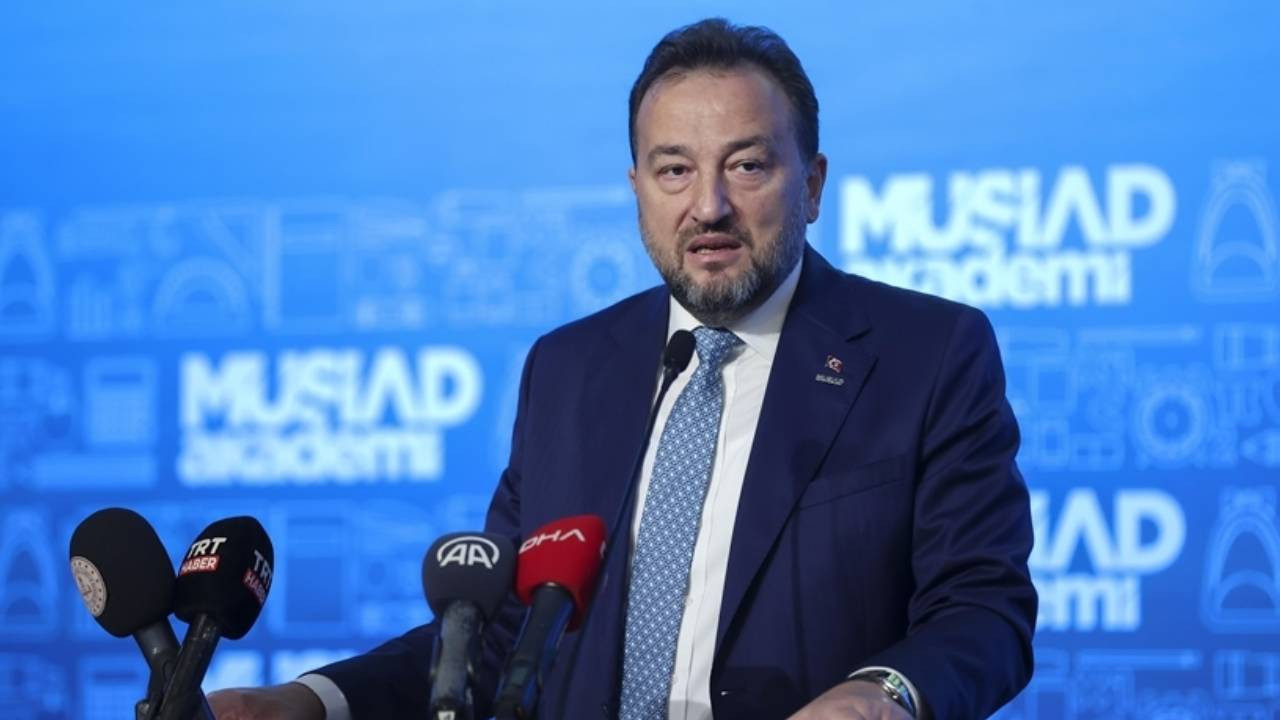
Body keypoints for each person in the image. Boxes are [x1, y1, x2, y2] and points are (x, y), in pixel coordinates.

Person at [210, 18, 1036, 720]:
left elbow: (982, 609)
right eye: (675, 170)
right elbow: (501, 633)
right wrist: (314, 701)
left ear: (812, 186)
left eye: (747, 165)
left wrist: (882, 693)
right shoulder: (569, 369)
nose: (708, 205)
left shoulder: (926, 353)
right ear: (638, 187)